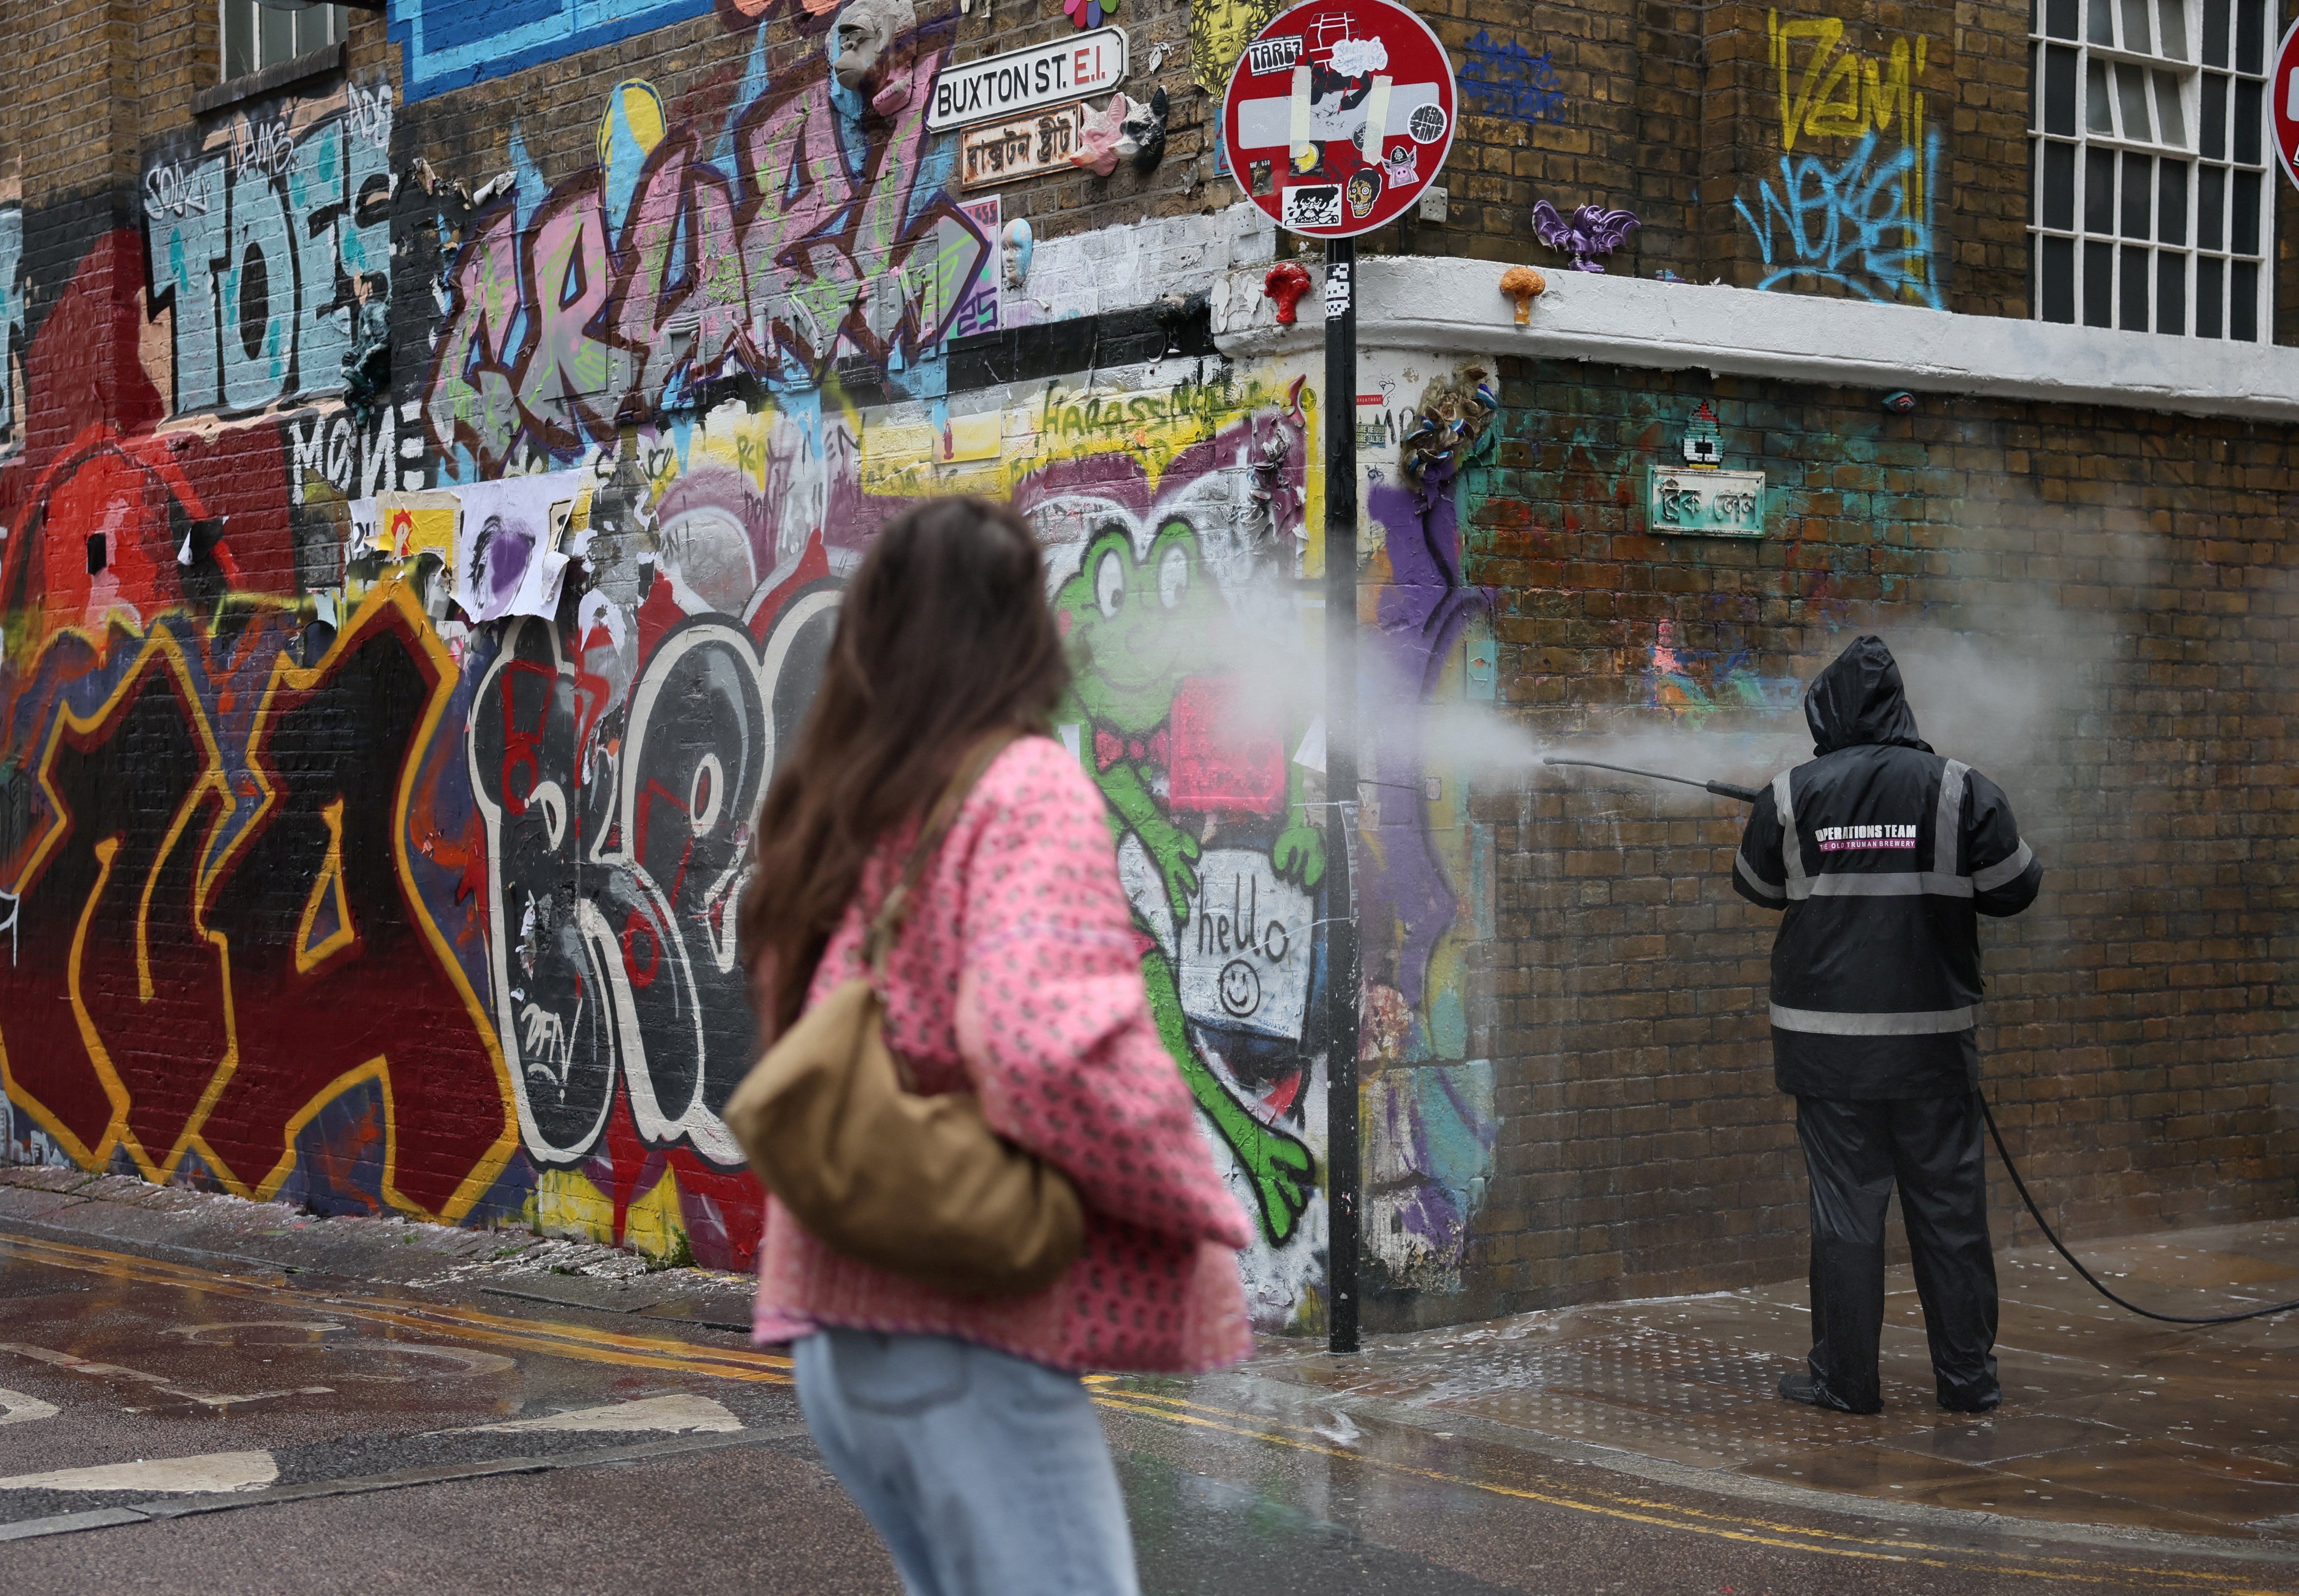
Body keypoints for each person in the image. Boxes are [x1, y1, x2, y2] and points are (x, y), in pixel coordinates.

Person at [738, 496, 1254, 1596]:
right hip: (959, 1327)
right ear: (1022, 628)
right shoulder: (1025, 784)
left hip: (838, 1332)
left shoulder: (833, 797)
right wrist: (1192, 1188)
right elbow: (1037, 1044)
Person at [1730, 635, 2042, 1416]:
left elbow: (1757, 886)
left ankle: (1846, 1381)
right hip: (1933, 1053)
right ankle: (1967, 1381)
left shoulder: (1789, 795)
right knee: (1949, 1214)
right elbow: (2015, 888)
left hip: (1829, 1058)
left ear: (1828, 711)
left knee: (1846, 1219)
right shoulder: (1958, 790)